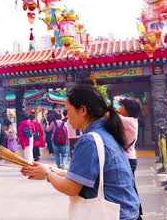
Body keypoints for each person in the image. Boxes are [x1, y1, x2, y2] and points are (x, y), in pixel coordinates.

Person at [21, 85, 141, 220]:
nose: (67, 115)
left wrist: (47, 174)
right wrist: (52, 170)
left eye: (68, 110)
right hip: (128, 213)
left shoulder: (89, 140)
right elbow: (84, 175)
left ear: (82, 110)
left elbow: (71, 187)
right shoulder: (106, 132)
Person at [118, 98, 142, 173]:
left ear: (128, 109)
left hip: (128, 159)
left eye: (122, 106)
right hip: (130, 158)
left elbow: (110, 115)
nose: (120, 108)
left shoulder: (128, 121)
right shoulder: (132, 120)